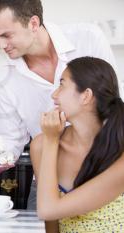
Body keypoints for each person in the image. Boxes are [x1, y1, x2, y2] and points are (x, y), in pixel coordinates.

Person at [0, 0, 118, 210]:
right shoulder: (6, 80)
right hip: (48, 179)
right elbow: (9, 140)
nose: (1, 46)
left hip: (103, 170)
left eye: (7, 35)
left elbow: (112, 100)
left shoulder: (88, 38)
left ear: (33, 23)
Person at [30, 57, 124, 233]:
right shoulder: (41, 145)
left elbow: (47, 209)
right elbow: (51, 223)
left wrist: (52, 141)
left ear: (86, 96)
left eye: (62, 85)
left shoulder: (120, 154)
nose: (54, 95)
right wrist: (51, 141)